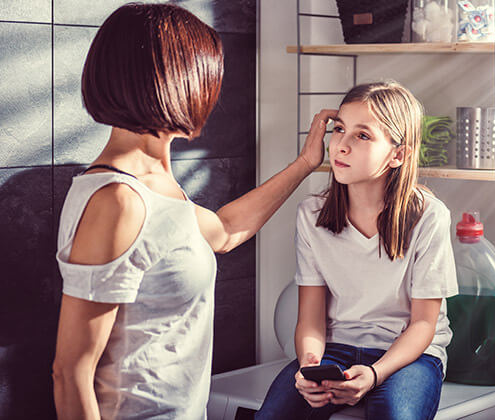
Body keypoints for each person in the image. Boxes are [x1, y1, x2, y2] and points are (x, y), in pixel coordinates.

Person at [51, 4, 335, 419]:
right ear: (172, 82)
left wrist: (305, 162)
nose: (212, 90)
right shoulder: (118, 202)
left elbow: (225, 230)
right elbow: (71, 371)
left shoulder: (156, 185)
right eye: (206, 76)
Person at [255, 81, 459, 420]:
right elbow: (310, 318)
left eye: (362, 136)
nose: (341, 146)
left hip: (410, 356)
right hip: (334, 350)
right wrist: (310, 366)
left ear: (398, 154)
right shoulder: (311, 214)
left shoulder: (429, 216)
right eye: (339, 130)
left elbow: (424, 324)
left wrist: (376, 373)